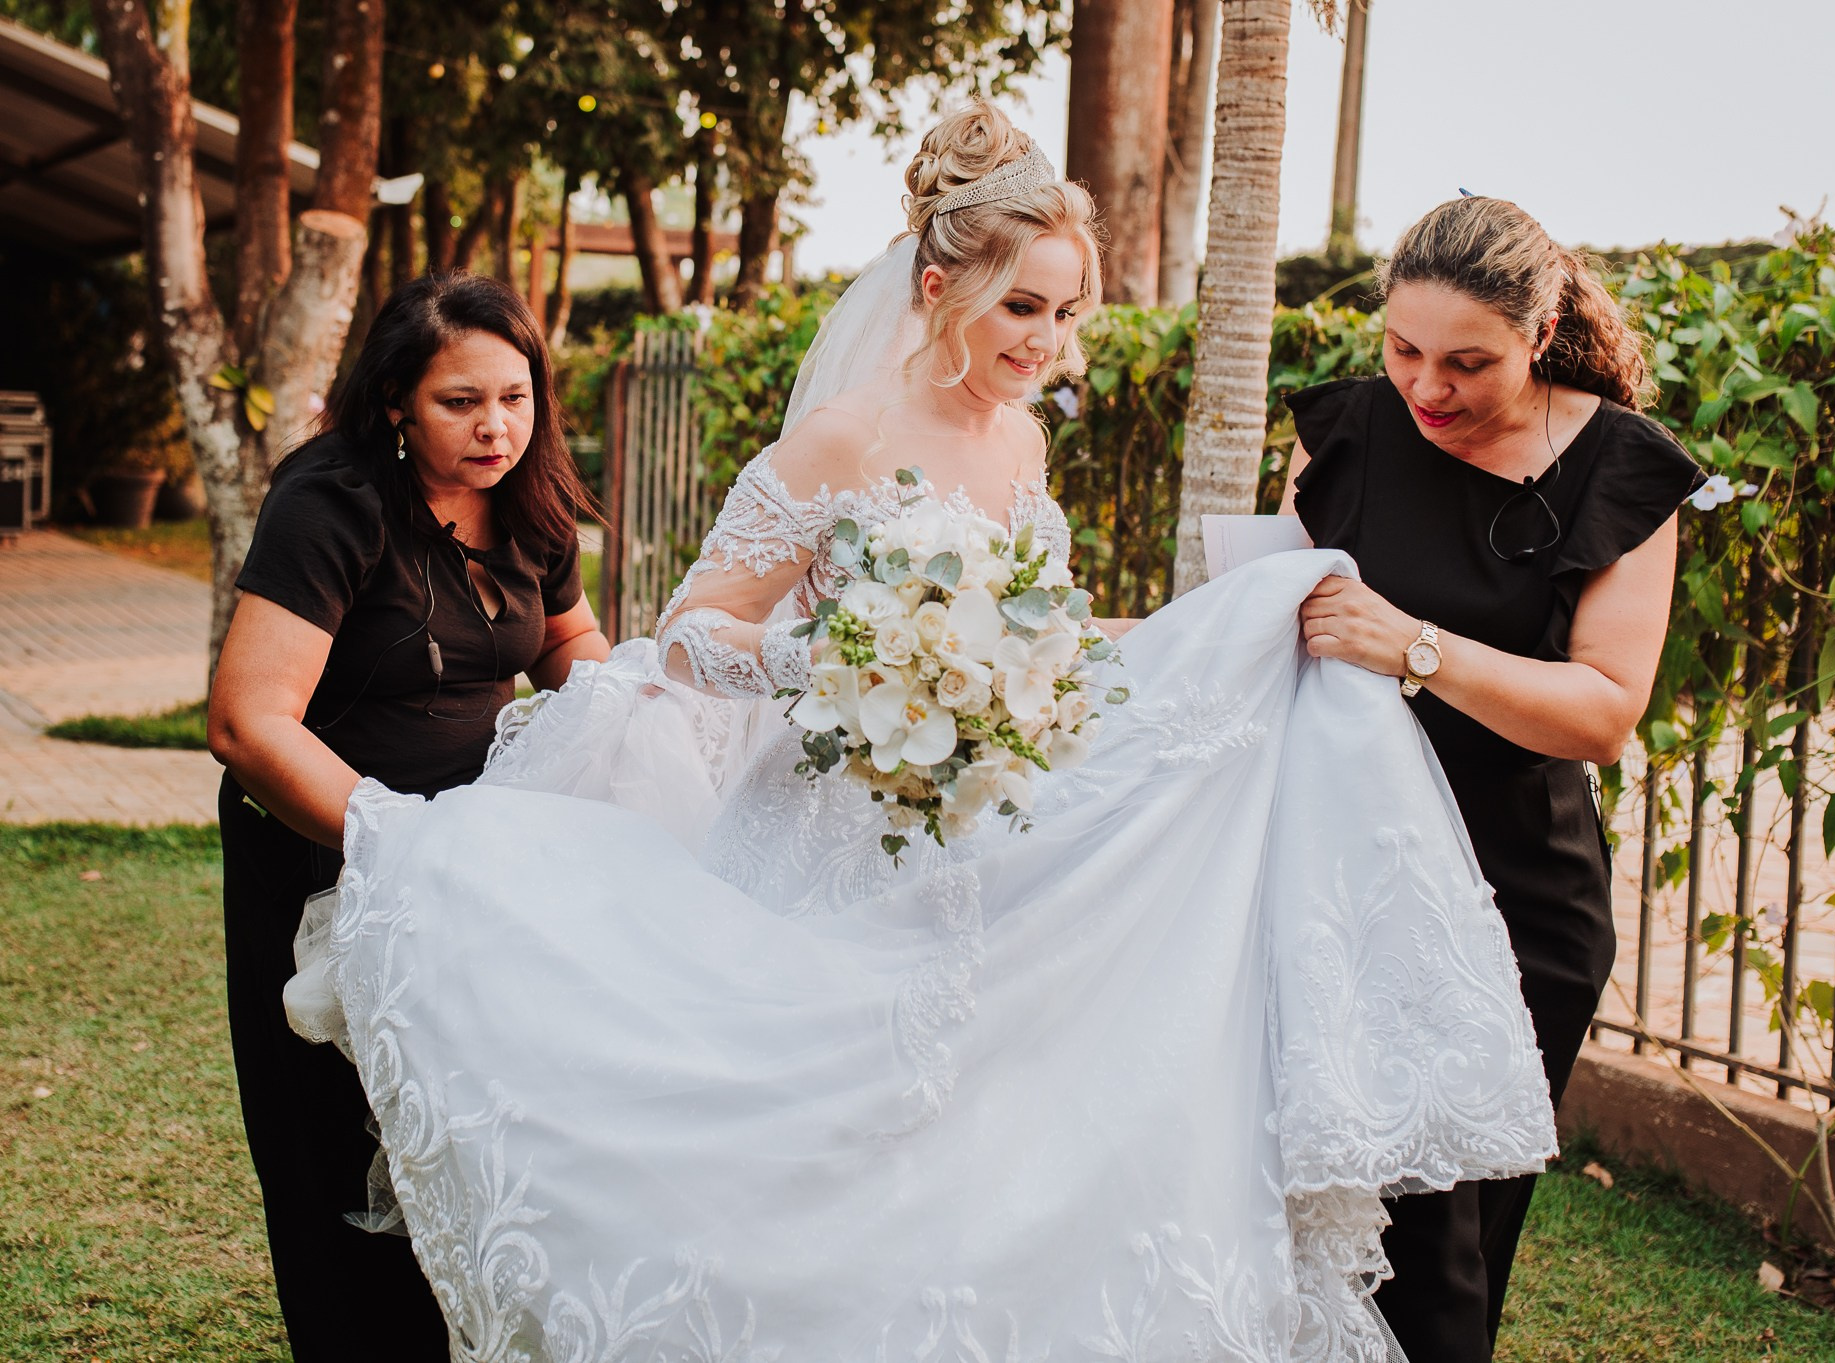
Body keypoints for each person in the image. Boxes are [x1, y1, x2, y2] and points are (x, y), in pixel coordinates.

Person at [282, 105, 1555, 1363]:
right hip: (826, 835)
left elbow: (1039, 634)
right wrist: (828, 663)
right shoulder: (843, 436)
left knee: (972, 1150)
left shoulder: (1023, 445)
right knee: (817, 1145)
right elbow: (686, 631)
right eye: (1020, 308)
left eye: (1064, 313)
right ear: (940, 285)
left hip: (979, 837)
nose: (1046, 341)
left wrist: (1217, 631)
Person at [1280, 194, 1705, 1361]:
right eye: (1402, 350)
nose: (1426, 388)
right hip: (1341, 887)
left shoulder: (1620, 467)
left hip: (1518, 899)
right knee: (1337, 1227)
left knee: (1456, 1246)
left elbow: (1603, 712)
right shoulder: (1344, 432)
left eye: (1466, 362)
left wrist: (1412, 645)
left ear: (1543, 325)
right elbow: (1272, 627)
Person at [206, 273, 609, 1361]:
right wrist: (397, 846)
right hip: (328, 869)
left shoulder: (531, 497)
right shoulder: (331, 501)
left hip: (478, 875)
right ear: (394, 400)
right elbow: (249, 724)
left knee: (470, 1142)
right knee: (340, 1153)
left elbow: (569, 645)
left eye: (516, 398)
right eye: (460, 402)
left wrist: (628, 734)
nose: (496, 428)